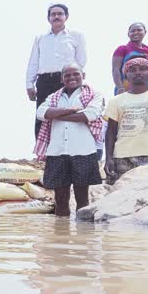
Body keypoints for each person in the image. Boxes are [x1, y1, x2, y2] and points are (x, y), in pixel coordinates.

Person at [34, 64, 104, 217]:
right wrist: (71, 110)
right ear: (62, 78)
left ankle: (83, 238)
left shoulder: (93, 94)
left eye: (75, 74)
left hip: (83, 151)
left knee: (82, 199)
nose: (72, 77)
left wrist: (56, 114)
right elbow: (41, 112)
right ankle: (61, 236)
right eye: (67, 75)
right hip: (57, 152)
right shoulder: (54, 97)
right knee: (60, 200)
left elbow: (89, 115)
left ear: (83, 75)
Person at [26, 4, 87, 138]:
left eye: (60, 13)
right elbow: (34, 62)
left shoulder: (76, 35)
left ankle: (67, 150)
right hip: (44, 80)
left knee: (68, 113)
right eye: (53, 14)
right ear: (49, 18)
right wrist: (29, 84)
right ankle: (42, 153)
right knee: (42, 114)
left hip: (67, 80)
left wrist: (75, 79)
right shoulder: (41, 38)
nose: (56, 17)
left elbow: (81, 60)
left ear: (66, 17)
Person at [112, 22, 148, 95]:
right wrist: (120, 87)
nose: (136, 32)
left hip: (147, 89)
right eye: (132, 31)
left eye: (139, 30)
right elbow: (115, 69)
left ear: (145, 32)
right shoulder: (122, 49)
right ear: (128, 34)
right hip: (126, 88)